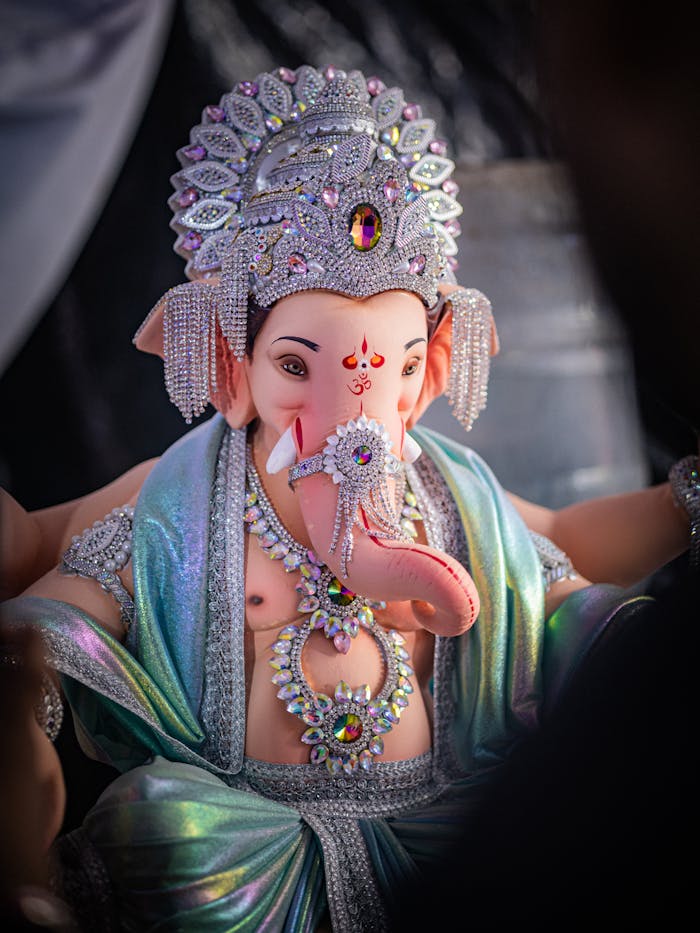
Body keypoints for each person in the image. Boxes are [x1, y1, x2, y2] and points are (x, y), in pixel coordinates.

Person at [0, 64, 694, 932]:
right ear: (230, 361)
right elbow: (59, 616)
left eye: (396, 370)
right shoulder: (182, 498)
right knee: (157, 826)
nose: (353, 418)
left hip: (445, 830)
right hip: (238, 850)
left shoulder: (449, 496)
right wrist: (22, 685)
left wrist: (682, 501)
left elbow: (562, 549)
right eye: (296, 367)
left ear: (431, 368)